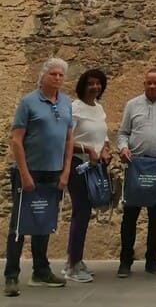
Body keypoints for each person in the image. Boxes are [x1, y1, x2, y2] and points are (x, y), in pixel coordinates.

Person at [5, 58, 73, 297]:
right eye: (53, 74)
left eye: (61, 75)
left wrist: (66, 172)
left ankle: (41, 270)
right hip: (30, 170)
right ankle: (11, 275)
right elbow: (16, 139)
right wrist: (24, 173)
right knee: (20, 225)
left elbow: (68, 139)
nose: (57, 78)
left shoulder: (66, 103)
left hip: (54, 172)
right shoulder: (28, 102)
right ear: (43, 76)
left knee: (44, 222)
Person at [117, 68, 156, 278]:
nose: (152, 86)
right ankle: (125, 261)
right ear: (144, 84)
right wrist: (123, 148)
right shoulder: (132, 105)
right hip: (136, 166)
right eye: (149, 83)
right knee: (130, 216)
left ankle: (152, 260)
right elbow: (123, 133)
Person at [65, 69, 111, 283]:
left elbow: (103, 135)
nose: (95, 87)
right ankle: (72, 265)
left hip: (95, 167)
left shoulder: (98, 108)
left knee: (85, 213)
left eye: (98, 83)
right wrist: (88, 149)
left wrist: (104, 149)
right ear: (83, 85)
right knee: (80, 213)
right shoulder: (75, 108)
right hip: (78, 167)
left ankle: (76, 259)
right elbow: (66, 140)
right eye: (90, 83)